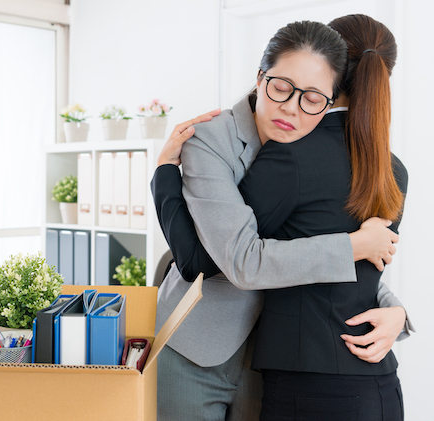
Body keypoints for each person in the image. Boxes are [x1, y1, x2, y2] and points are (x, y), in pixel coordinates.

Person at [151, 18, 412, 421]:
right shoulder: (211, 141)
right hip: (197, 345)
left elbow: (326, 242)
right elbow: (238, 258)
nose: (291, 108)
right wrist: (164, 174)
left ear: (332, 97)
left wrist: (395, 311)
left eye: (311, 97)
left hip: (274, 356)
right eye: (280, 87)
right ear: (260, 77)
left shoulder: (320, 143)